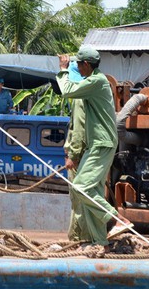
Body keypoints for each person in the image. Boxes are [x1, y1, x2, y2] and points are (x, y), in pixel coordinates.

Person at [57, 46, 132, 246]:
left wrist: (63, 69)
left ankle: (116, 220)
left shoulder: (96, 81)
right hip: (98, 144)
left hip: (101, 143)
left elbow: (67, 90)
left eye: (79, 65)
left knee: (81, 188)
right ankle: (100, 242)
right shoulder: (96, 81)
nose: (78, 69)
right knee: (93, 193)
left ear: (86, 65)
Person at [63, 61, 86, 241]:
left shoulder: (80, 98)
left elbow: (78, 130)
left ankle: (77, 237)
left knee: (78, 197)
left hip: (79, 156)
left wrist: (73, 155)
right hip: (86, 154)